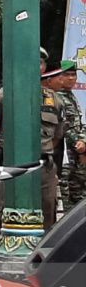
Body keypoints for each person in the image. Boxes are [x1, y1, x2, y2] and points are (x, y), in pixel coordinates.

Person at [0, 47, 63, 246]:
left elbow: (57, 136)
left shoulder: (54, 100)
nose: (35, 67)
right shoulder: (2, 97)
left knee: (47, 219)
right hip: (11, 169)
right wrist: (1, 155)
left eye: (40, 63)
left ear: (44, 68)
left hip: (43, 170)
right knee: (3, 220)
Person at [58, 59, 86, 210]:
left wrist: (84, 142)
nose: (71, 78)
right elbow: (64, 126)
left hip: (77, 157)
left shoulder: (71, 97)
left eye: (73, 75)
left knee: (79, 200)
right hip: (65, 156)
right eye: (67, 74)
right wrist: (79, 145)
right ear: (59, 77)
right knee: (67, 199)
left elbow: (78, 124)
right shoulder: (57, 97)